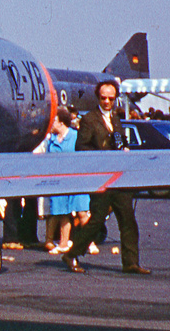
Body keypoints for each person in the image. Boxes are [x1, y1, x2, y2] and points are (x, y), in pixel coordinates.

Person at [62, 80, 149, 274]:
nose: (107, 102)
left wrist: (125, 147)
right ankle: (72, 253)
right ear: (98, 98)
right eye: (103, 98)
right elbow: (81, 147)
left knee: (128, 219)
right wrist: (102, 152)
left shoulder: (116, 119)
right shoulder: (89, 119)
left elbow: (120, 140)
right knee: (97, 220)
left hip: (118, 177)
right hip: (102, 178)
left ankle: (131, 262)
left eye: (111, 98)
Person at [41, 108, 85, 254]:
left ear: (60, 122)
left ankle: (85, 242)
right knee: (58, 212)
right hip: (56, 180)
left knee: (80, 212)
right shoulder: (51, 140)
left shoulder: (75, 136)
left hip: (73, 180)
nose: (50, 124)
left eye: (53, 121)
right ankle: (60, 242)